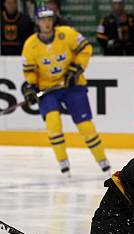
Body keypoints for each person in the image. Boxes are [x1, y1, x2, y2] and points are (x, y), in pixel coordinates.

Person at [21, 6, 110, 175]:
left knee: (85, 126)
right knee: (53, 123)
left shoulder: (66, 33)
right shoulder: (30, 45)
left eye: (49, 19)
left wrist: (76, 69)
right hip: (48, 89)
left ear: (53, 20)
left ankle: (102, 160)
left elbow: (86, 48)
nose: (46, 23)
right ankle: (63, 162)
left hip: (72, 86)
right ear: (38, 22)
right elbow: (30, 71)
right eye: (43, 20)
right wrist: (31, 86)